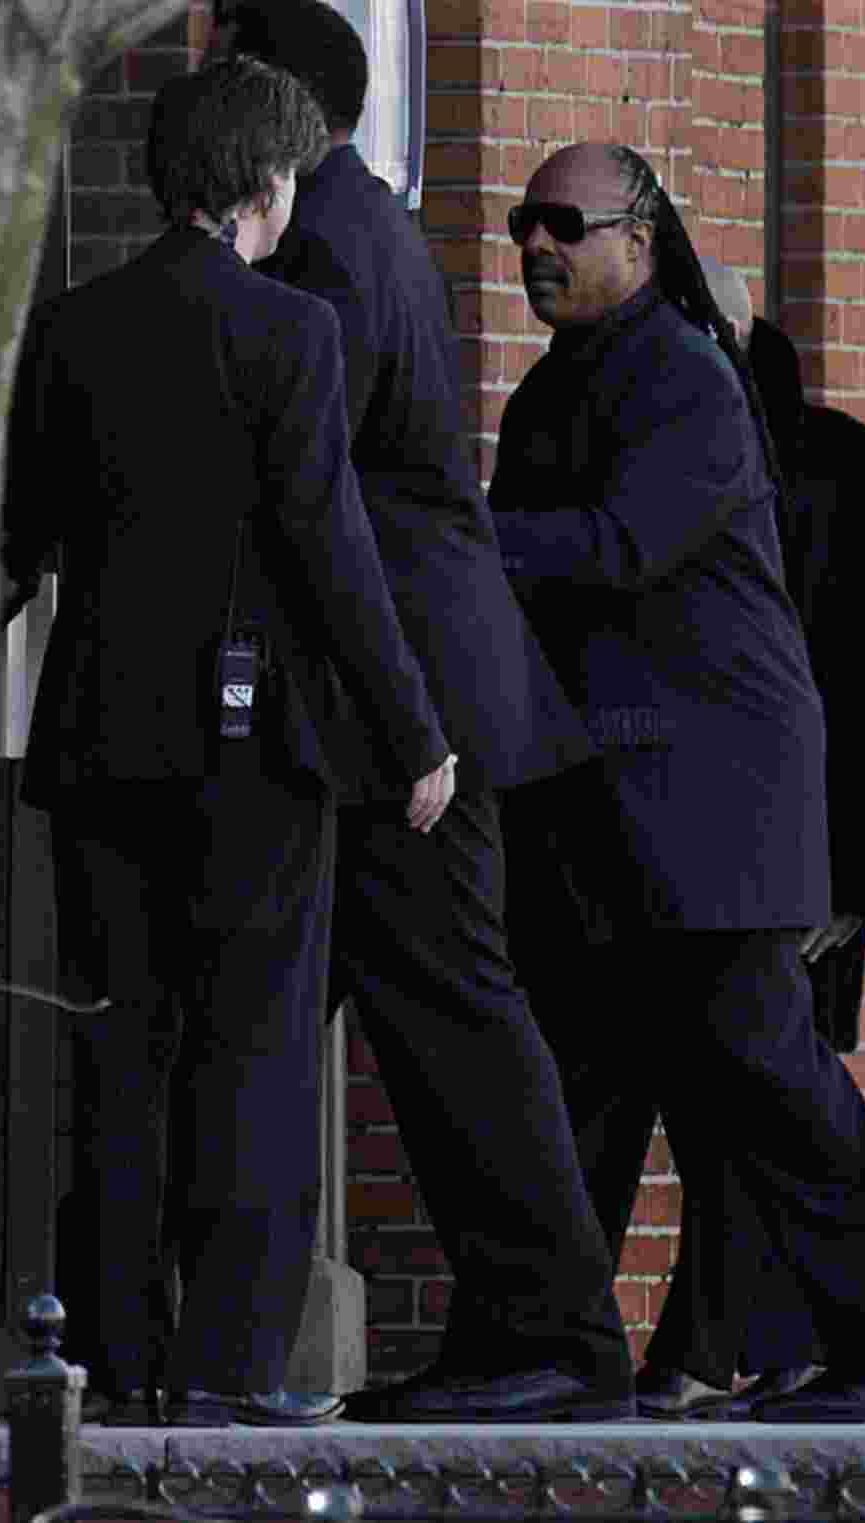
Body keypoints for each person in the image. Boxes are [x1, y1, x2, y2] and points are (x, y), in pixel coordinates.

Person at [449, 140, 865, 1425]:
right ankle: (545, 1347)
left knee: (771, 1083)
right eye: (521, 224)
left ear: (643, 237)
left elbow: (621, 547)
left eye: (565, 223)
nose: (534, 247)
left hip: (708, 806)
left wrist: (452, 533)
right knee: (567, 1090)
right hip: (604, 805)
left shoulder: (682, 376)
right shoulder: (560, 387)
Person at [2, 54, 459, 1428]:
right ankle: (232, 1365)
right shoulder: (291, 335)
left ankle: (122, 1359)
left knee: (124, 1056)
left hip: (94, 740)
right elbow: (333, 556)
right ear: (271, 185)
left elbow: (24, 538)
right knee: (252, 1058)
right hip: (252, 749)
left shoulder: (75, 330)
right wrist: (415, 737)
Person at [215, 2, 636, 1424]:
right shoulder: (360, 222)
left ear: (271, 94)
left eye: (224, 71)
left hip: (408, 706)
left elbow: (300, 474)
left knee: (454, 1013)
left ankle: (560, 1337)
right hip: (401, 692)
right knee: (419, 1012)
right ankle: (515, 1330)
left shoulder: (330, 241)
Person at [679, 259, 865, 1415]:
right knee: (735, 1094)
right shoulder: (658, 445)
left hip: (800, 846)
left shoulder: (846, 465)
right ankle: (729, 1341)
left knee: (779, 1093)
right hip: (686, 837)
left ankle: (800, 1343)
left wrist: (859, 875)